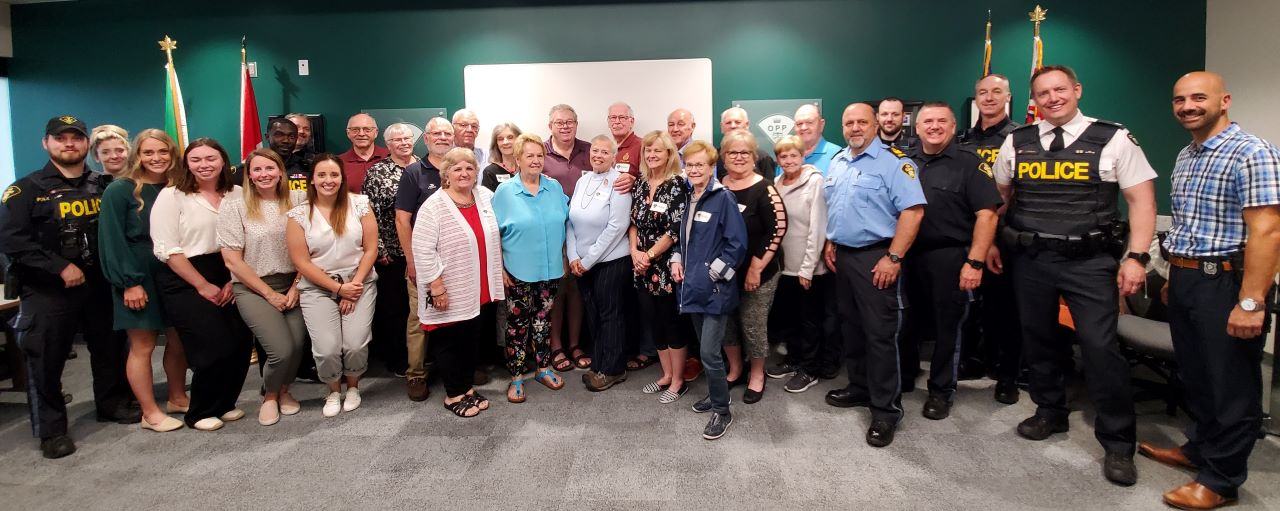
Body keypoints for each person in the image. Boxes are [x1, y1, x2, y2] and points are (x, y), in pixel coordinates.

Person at [990, 65, 1156, 486]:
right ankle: (1050, 411)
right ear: (1034, 101)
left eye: (1059, 89)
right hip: (1031, 259)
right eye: (1043, 93)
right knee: (1039, 341)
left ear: (1076, 90)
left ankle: (1118, 441)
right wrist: (989, 242)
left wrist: (1136, 258)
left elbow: (1141, 201)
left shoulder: (1113, 138)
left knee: (1100, 348)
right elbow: (1000, 198)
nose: (1052, 98)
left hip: (1090, 262)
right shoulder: (1017, 141)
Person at [1140, 71, 1280, 510]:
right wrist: (1173, 277)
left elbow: (1268, 232)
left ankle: (1221, 479)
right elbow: (1189, 226)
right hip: (1188, 278)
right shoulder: (1187, 154)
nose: (1188, 107)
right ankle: (1199, 449)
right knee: (1197, 374)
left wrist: (1251, 302)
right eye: (1179, 99)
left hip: (1227, 282)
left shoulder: (1252, 152)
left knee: (1230, 383)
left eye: (1199, 97)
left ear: (1225, 100)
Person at [0, 115, 134, 458]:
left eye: (76, 137)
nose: (70, 143)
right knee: (45, 357)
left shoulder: (104, 185)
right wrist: (59, 267)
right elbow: (13, 241)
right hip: (48, 289)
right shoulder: (25, 190)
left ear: (87, 144)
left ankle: (112, 403)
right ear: (46, 143)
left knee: (110, 348)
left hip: (99, 283)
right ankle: (51, 430)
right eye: (61, 138)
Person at [822, 103, 926, 448]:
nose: (855, 127)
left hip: (878, 256)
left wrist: (894, 257)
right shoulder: (839, 161)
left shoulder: (895, 163)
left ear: (876, 124)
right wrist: (831, 241)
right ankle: (860, 387)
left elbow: (913, 212)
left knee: (881, 335)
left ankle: (885, 411)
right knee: (851, 327)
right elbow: (837, 207)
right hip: (843, 256)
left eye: (861, 122)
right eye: (848, 122)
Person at [901, 102, 1001, 420]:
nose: (934, 126)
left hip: (950, 255)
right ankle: (905, 375)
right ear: (917, 128)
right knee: (906, 322)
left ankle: (941, 390)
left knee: (948, 327)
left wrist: (975, 262)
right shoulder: (905, 162)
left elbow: (987, 215)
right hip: (908, 255)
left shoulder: (969, 163)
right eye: (928, 121)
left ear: (953, 126)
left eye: (941, 121)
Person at [151, 138, 253, 432]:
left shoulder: (238, 193)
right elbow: (167, 248)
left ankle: (225, 403)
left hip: (231, 270)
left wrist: (234, 279)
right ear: (186, 163)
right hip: (186, 276)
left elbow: (249, 237)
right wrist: (202, 285)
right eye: (196, 159)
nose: (204, 165)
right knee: (212, 345)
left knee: (240, 342)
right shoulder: (172, 195)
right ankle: (200, 411)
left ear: (223, 161)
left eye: (211, 158)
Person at [98, 129, 188, 433]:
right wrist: (129, 282)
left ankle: (177, 397)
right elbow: (111, 240)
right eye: (148, 152)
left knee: (178, 338)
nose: (156, 158)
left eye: (163, 151)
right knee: (143, 345)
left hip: (173, 270)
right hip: (137, 274)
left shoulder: (177, 187)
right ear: (137, 155)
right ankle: (149, 412)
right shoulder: (120, 190)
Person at [411, 147, 504, 417]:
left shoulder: (484, 196)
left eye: (469, 168)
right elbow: (422, 249)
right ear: (446, 174)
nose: (464, 173)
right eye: (457, 169)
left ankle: (466, 388)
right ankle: (453, 394)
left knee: (470, 337)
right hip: (448, 287)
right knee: (449, 340)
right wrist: (436, 286)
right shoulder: (434, 206)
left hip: (477, 283)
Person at [218, 148, 308, 426]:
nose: (264, 174)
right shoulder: (235, 206)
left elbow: (310, 248)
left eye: (270, 168)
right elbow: (232, 260)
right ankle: (269, 396)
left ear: (280, 171)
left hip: (294, 282)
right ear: (249, 175)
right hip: (253, 287)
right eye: (257, 169)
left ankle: (284, 390)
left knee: (297, 345)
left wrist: (295, 287)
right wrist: (269, 294)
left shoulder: (299, 200)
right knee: (281, 349)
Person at [286, 154, 379, 417]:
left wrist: (353, 287)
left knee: (355, 344)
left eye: (334, 175)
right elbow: (301, 261)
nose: (328, 180)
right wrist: (338, 289)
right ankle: (333, 390)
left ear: (342, 178)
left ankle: (353, 387)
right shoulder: (299, 215)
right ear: (312, 180)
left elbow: (371, 249)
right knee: (327, 349)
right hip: (318, 287)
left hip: (358, 283)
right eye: (322, 175)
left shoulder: (359, 204)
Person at [670, 140, 747, 440]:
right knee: (706, 351)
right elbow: (684, 239)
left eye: (700, 164)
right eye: (689, 165)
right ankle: (717, 396)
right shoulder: (689, 197)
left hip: (714, 290)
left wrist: (712, 273)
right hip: (691, 288)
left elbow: (737, 244)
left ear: (712, 167)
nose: (694, 170)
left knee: (709, 353)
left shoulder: (723, 198)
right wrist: (677, 259)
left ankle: (722, 411)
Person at [957, 74, 1023, 402]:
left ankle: (1006, 375)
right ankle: (971, 360)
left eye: (997, 91)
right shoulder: (962, 139)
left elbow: (1011, 193)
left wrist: (992, 240)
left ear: (1008, 97)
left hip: (1004, 238)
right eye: (983, 92)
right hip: (965, 235)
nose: (989, 97)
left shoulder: (1020, 138)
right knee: (967, 307)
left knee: (1004, 310)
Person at [492, 133, 569, 403]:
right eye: (529, 156)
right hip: (517, 271)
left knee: (543, 322)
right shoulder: (505, 192)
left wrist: (566, 256)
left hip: (550, 270)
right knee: (517, 326)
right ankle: (516, 377)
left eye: (539, 155)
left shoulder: (554, 187)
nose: (535, 160)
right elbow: (493, 233)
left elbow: (566, 222)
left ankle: (543, 368)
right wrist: (499, 268)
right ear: (518, 159)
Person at [764, 135, 836, 393]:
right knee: (790, 318)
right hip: (785, 266)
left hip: (809, 268)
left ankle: (810, 369)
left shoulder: (815, 181)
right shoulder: (776, 184)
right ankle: (794, 360)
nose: (789, 160)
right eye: (783, 156)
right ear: (777, 160)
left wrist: (808, 268)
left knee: (810, 321)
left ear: (803, 156)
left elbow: (818, 227)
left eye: (793, 155)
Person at [720, 130, 787, 404]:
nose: (739, 157)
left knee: (752, 324)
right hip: (725, 271)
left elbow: (777, 229)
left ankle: (757, 374)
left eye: (744, 152)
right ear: (724, 157)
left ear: (754, 156)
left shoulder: (765, 188)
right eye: (732, 152)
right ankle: (736, 369)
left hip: (758, 271)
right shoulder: (719, 185)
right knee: (726, 323)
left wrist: (755, 268)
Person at [628, 131, 690, 402]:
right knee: (654, 322)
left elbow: (674, 229)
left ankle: (678, 381)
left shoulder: (677, 184)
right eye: (648, 150)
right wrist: (634, 253)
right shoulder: (641, 183)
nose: (652, 155)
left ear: (669, 154)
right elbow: (633, 222)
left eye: (658, 150)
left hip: (665, 266)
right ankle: (665, 374)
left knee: (671, 323)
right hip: (641, 267)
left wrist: (649, 255)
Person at [394, 117, 453, 399]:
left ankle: (454, 366)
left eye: (447, 133)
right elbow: (402, 220)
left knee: (455, 316)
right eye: (436, 133)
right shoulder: (413, 172)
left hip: (454, 260)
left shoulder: (459, 170)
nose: (442, 137)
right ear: (426, 139)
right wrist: (412, 261)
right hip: (423, 260)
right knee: (419, 318)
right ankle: (416, 374)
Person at [570, 136, 634, 391]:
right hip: (583, 263)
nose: (598, 155)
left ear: (614, 157)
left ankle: (614, 369)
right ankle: (599, 364)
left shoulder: (619, 183)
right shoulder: (582, 180)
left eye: (605, 152)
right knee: (594, 314)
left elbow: (617, 226)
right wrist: (574, 257)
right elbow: (570, 221)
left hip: (611, 261)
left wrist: (587, 260)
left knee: (611, 316)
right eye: (595, 150)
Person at [363, 123, 419, 384]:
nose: (403, 143)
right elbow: (369, 214)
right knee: (396, 309)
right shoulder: (377, 172)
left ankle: (421, 356)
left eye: (407, 138)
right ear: (388, 144)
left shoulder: (423, 166)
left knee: (421, 309)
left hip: (424, 250)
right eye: (397, 140)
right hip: (393, 254)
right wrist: (380, 249)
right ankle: (399, 359)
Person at [715, 107, 776, 180]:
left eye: (737, 122)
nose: (733, 126)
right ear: (721, 127)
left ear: (747, 125)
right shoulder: (713, 157)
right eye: (728, 123)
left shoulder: (763, 157)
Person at [338, 113, 390, 194]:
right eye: (355, 130)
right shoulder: (338, 163)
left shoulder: (390, 157)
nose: (361, 134)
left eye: (367, 130)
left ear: (376, 133)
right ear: (348, 133)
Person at [792, 104, 841, 174]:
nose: (804, 127)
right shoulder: (786, 157)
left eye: (809, 122)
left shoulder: (837, 155)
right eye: (799, 124)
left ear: (821, 124)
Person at [481, 123, 521, 191]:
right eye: (500, 139)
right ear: (496, 144)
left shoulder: (526, 167)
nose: (505, 142)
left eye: (510, 137)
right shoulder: (490, 172)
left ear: (519, 139)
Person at [609, 102, 642, 177]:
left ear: (632, 122)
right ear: (608, 122)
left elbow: (651, 179)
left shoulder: (642, 146)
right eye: (613, 117)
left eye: (622, 117)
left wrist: (634, 181)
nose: (617, 122)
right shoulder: (606, 147)